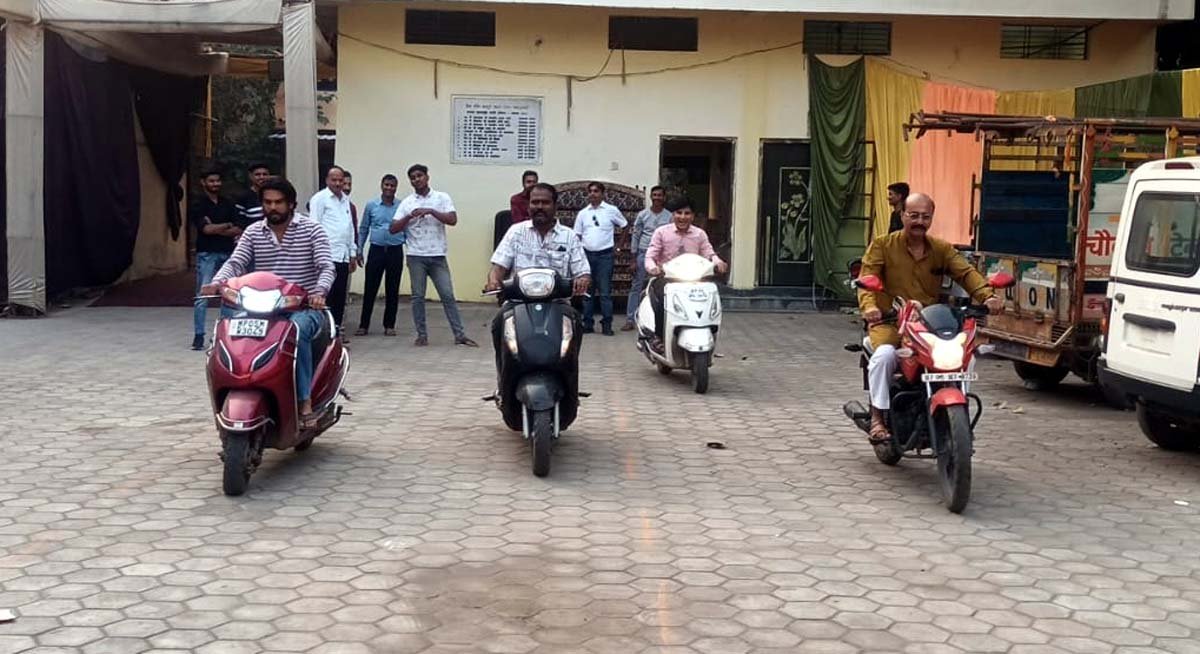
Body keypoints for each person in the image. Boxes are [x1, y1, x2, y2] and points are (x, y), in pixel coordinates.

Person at [858, 192, 1003, 443]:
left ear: (932, 219)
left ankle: (957, 410)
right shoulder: (882, 245)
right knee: (883, 358)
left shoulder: (941, 249)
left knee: (964, 355)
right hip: (891, 323)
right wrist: (870, 308)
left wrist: (987, 296)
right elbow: (867, 279)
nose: (919, 221)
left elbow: (966, 273)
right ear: (902, 215)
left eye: (925, 217)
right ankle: (877, 418)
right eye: (913, 215)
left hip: (929, 324)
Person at [202, 177, 335, 425]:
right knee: (225, 329)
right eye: (268, 202)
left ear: (292, 204)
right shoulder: (253, 231)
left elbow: (326, 266)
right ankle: (231, 389)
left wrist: (319, 291)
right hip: (259, 308)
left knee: (297, 331)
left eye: (279, 202)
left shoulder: (312, 230)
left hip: (302, 308)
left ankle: (304, 402)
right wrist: (218, 282)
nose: (273, 207)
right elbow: (235, 262)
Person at [487, 183, 591, 365]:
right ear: (529, 206)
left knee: (576, 323)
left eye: (545, 202)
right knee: (498, 323)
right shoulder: (515, 232)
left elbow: (583, 271)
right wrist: (493, 281)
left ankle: (570, 377)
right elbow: (498, 267)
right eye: (535, 202)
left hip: (558, 303)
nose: (540, 207)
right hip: (518, 302)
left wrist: (582, 281)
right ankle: (502, 375)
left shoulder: (569, 236)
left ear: (555, 206)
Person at [389, 164, 477, 347]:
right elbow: (393, 228)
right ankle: (422, 335)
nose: (417, 180)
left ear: (427, 177)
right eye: (413, 177)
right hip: (416, 256)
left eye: (420, 176)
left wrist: (431, 211)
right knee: (418, 297)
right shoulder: (407, 202)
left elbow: (452, 220)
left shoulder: (441, 197)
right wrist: (409, 217)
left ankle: (459, 335)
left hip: (437, 255)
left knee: (447, 295)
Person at [644, 196, 728, 351]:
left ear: (693, 216)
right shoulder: (661, 233)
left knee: (711, 294)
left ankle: (709, 330)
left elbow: (709, 253)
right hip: (667, 279)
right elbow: (650, 255)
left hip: (694, 279)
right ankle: (659, 336)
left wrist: (718, 262)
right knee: (663, 298)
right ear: (673, 215)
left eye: (687, 213)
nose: (683, 217)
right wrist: (653, 268)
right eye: (679, 213)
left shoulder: (699, 234)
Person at [190, 166, 241, 351]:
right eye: (211, 181)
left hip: (228, 253)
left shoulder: (228, 203)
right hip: (207, 254)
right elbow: (205, 229)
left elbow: (238, 229)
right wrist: (226, 226)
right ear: (203, 183)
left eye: (218, 181)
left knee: (229, 295)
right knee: (203, 294)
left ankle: (226, 334)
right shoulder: (198, 204)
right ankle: (199, 336)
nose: (215, 184)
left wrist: (218, 227)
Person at [309, 166, 357, 340]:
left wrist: (352, 252)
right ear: (327, 180)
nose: (338, 183)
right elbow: (313, 227)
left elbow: (349, 228)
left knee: (339, 296)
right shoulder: (320, 199)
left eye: (340, 180)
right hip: (326, 256)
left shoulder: (345, 200)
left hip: (343, 255)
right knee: (325, 295)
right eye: (334, 180)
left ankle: (336, 331)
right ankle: (322, 333)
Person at [574, 181, 628, 335]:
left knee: (605, 292)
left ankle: (607, 325)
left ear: (603, 194)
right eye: (590, 191)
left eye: (596, 191)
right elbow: (577, 234)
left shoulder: (611, 210)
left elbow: (625, 226)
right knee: (587, 292)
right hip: (586, 255)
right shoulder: (583, 213)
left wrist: (619, 246)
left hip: (605, 255)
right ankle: (588, 324)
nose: (592, 194)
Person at [355, 174, 406, 337]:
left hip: (395, 250)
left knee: (393, 289)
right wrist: (359, 249)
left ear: (396, 188)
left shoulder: (402, 206)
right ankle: (364, 325)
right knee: (370, 288)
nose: (389, 188)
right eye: (386, 185)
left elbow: (408, 228)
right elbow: (363, 228)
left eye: (392, 186)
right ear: (381, 186)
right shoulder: (371, 205)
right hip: (376, 250)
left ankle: (389, 325)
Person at [622, 185, 672, 331]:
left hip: (661, 256)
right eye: (654, 195)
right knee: (636, 286)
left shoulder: (669, 216)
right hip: (643, 253)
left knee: (663, 287)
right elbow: (636, 235)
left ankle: (661, 321)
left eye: (659, 195)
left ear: (664, 198)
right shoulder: (643, 215)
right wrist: (633, 258)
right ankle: (630, 319)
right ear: (651, 197)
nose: (657, 198)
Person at [235, 162, 271, 228]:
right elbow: (240, 223)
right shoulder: (243, 198)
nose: (261, 177)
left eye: (265, 174)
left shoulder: (274, 195)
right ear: (250, 176)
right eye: (257, 174)